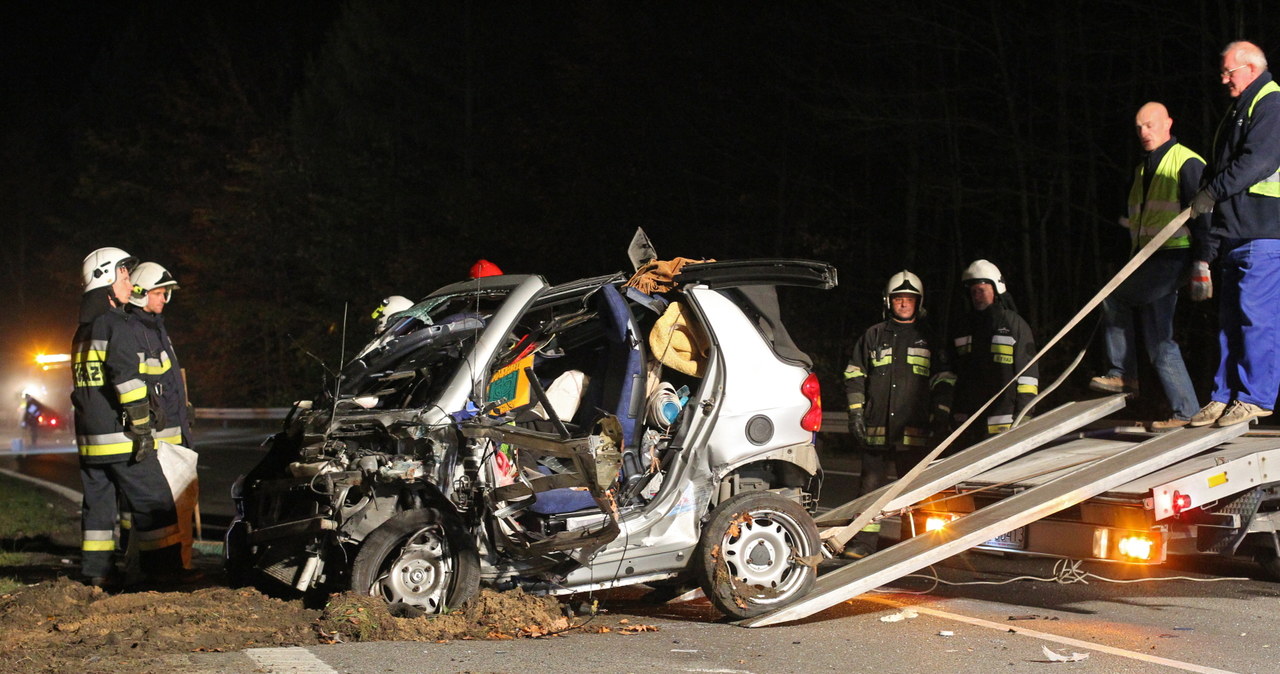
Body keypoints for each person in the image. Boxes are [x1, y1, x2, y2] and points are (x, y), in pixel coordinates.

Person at [1088, 102, 1206, 431]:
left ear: (1168, 123)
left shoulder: (1186, 161)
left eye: (1150, 125)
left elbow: (1205, 215)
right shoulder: (1143, 169)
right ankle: (1187, 411)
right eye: (1139, 127)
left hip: (1174, 255)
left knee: (1114, 297)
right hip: (1150, 259)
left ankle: (1123, 374)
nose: (1144, 132)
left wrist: (1203, 262)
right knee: (1160, 342)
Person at [71, 247, 184, 587]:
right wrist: (142, 429)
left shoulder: (83, 330)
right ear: (106, 280)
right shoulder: (114, 323)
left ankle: (97, 575)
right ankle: (162, 575)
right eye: (122, 275)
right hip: (122, 439)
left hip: (91, 442)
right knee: (156, 504)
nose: (127, 282)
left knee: (98, 511)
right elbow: (127, 380)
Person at [1188, 41, 1280, 428]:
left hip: (1263, 229)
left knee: (1256, 317)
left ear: (1252, 67)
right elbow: (1220, 168)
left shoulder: (1271, 104)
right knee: (1229, 321)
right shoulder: (1238, 110)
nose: (1223, 79)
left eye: (1229, 71)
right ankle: (1223, 395)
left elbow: (1257, 161)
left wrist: (1213, 191)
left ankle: (1255, 396)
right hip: (1235, 231)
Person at [842, 270, 954, 556]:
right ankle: (862, 543)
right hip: (876, 428)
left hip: (915, 430)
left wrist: (940, 413)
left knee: (914, 491)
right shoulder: (873, 336)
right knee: (869, 490)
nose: (903, 304)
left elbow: (944, 379)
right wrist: (856, 413)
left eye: (909, 300)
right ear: (888, 301)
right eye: (898, 299)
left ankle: (913, 546)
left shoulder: (928, 339)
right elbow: (854, 374)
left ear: (919, 303)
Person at [950, 260, 1039, 443]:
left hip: (1004, 420)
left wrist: (1025, 414)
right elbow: (952, 372)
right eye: (973, 291)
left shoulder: (1014, 325)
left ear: (996, 290)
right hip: (967, 420)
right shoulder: (962, 326)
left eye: (981, 290)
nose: (977, 296)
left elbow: (1028, 376)